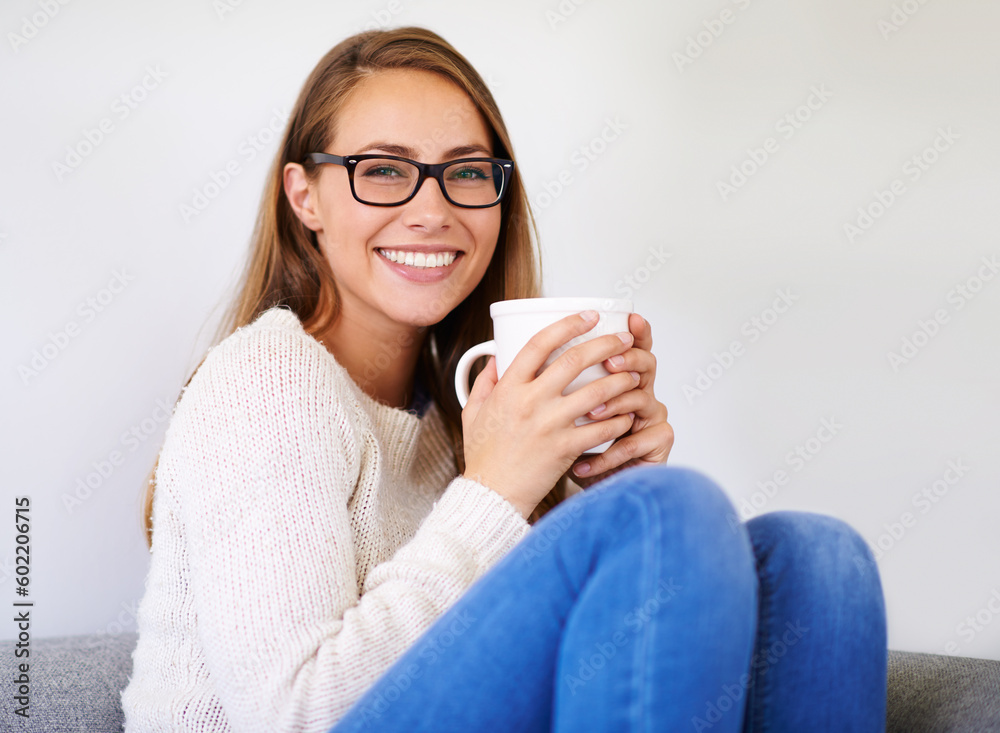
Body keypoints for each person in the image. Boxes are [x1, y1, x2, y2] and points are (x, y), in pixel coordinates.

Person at [120, 26, 887, 733]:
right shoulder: (269, 378)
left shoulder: (460, 415)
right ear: (304, 197)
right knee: (668, 512)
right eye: (382, 171)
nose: (432, 209)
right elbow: (295, 715)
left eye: (466, 173)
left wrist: (589, 488)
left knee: (818, 558)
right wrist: (499, 492)